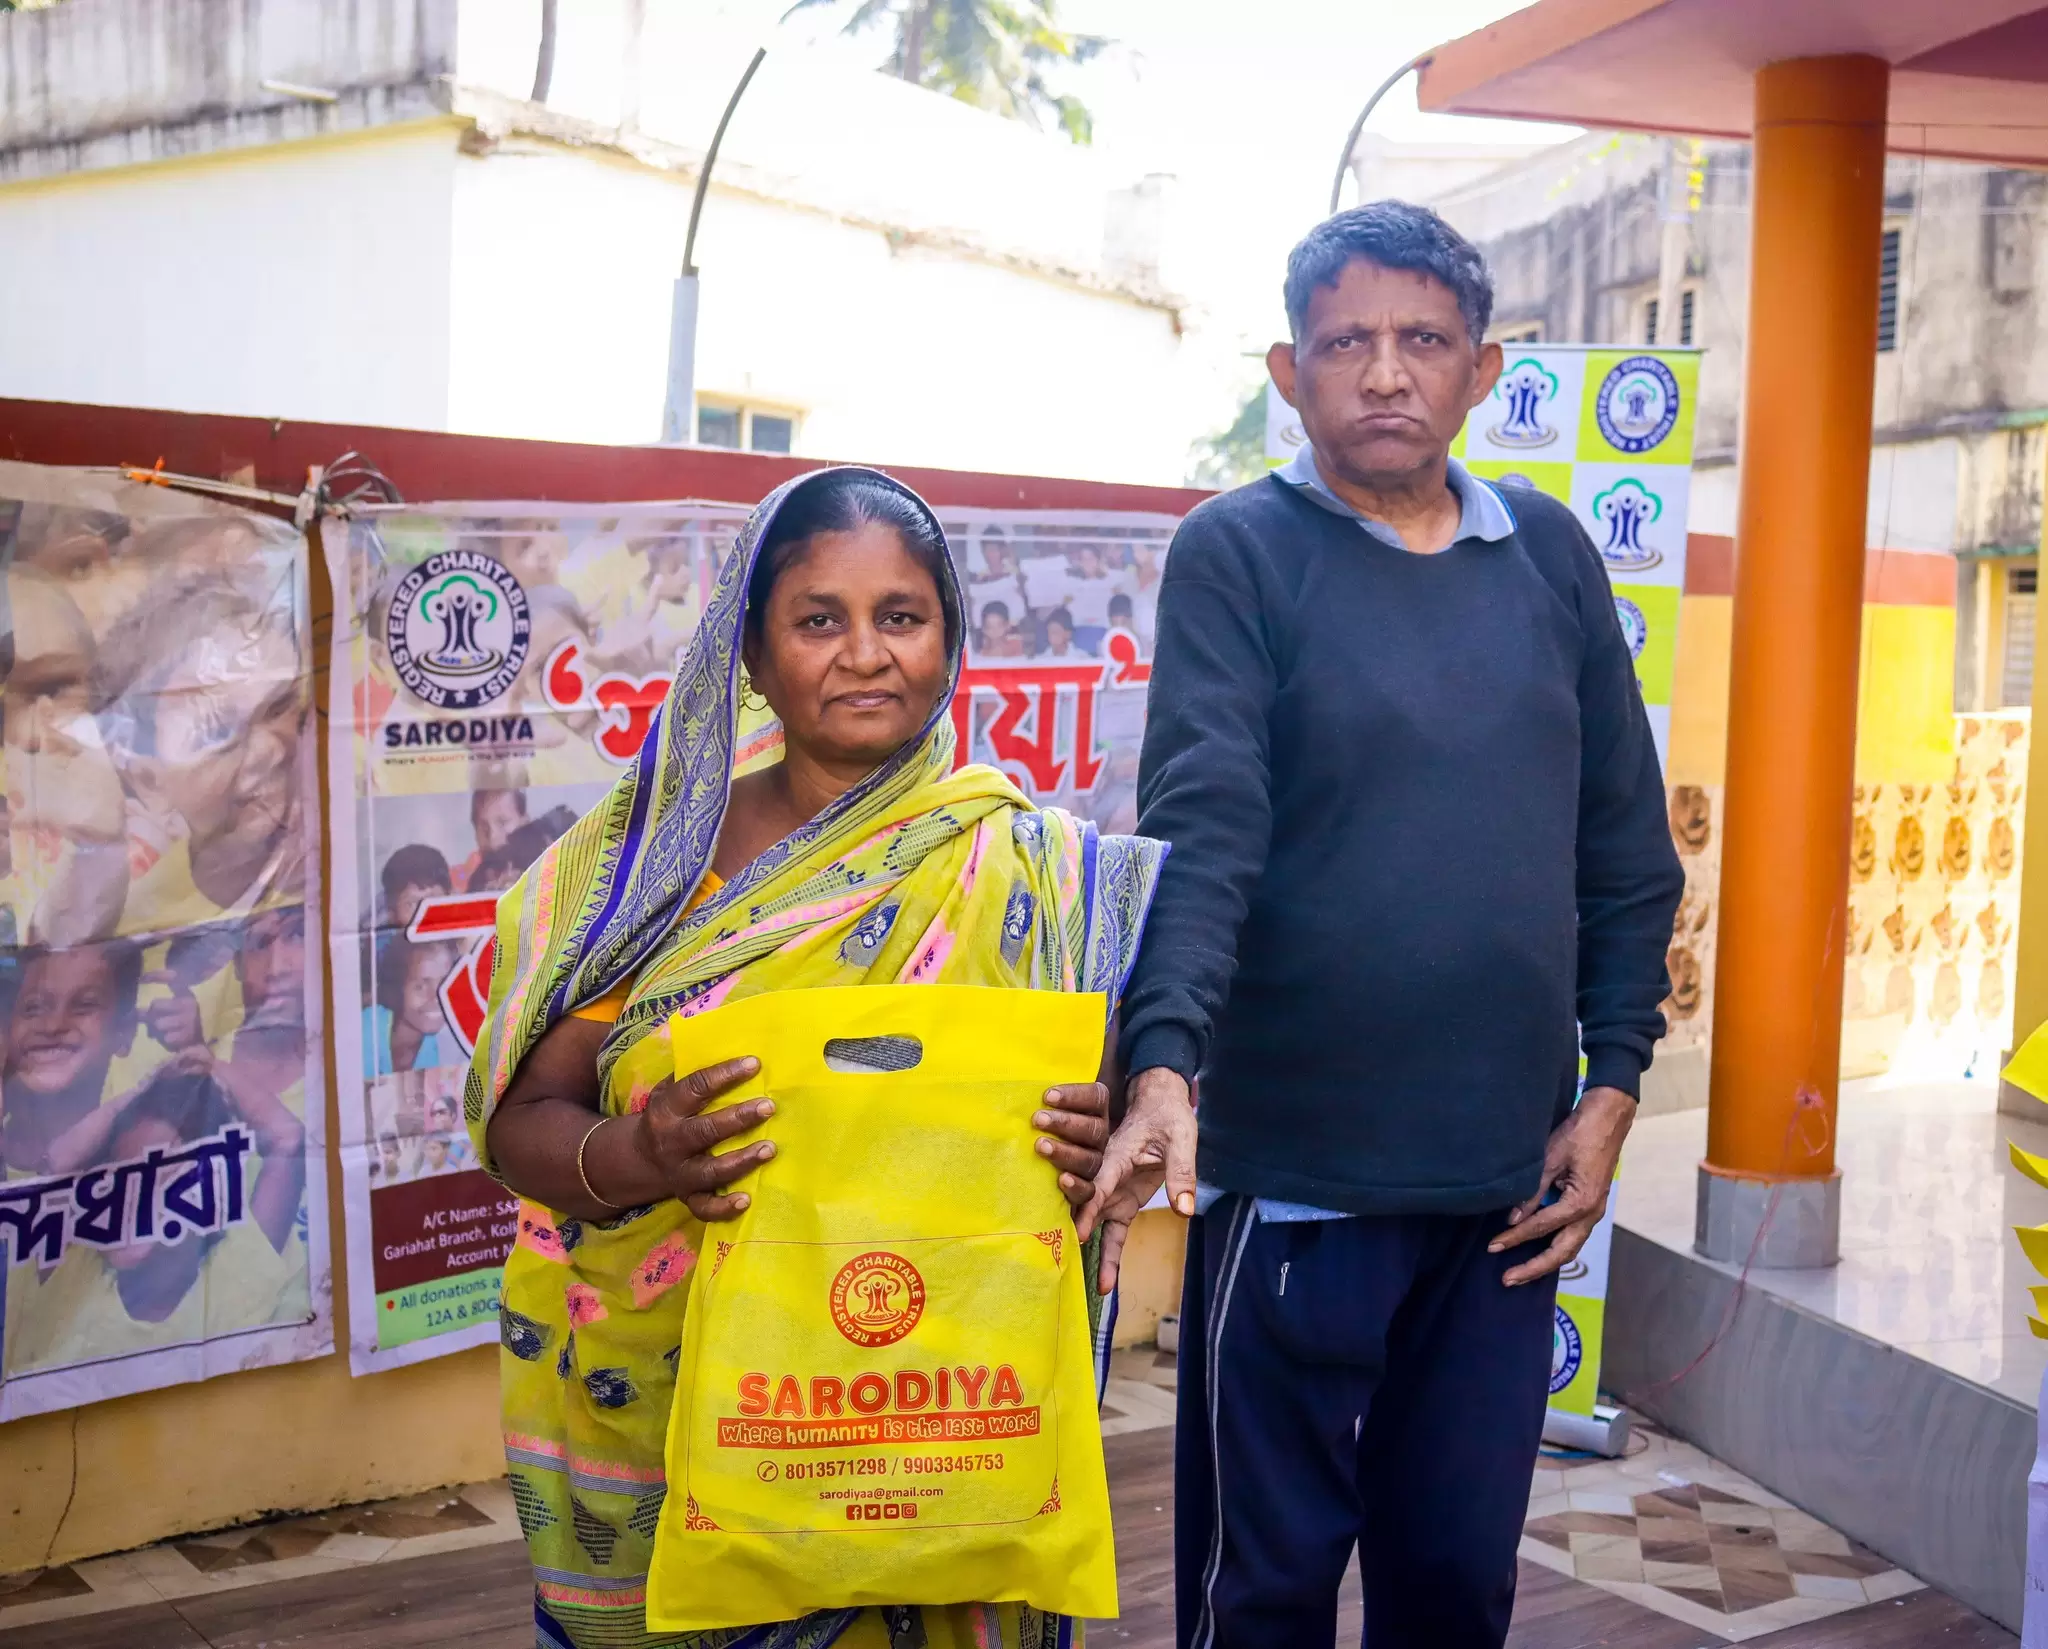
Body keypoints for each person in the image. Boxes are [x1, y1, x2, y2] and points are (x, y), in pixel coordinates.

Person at [1088, 203, 1685, 1649]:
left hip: (1505, 1192)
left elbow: (1623, 846)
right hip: (1299, 1178)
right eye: (1345, 341)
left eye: (1422, 339)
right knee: (1262, 1591)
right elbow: (1203, 824)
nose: (1383, 372)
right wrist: (1162, 1061)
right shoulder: (1240, 551)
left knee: (1453, 1586)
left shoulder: (1548, 554)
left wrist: (1612, 1083)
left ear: (1482, 371)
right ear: (1287, 374)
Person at [472, 466, 1165, 1649]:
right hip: (682, 1406)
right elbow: (520, 1118)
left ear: (949, 638)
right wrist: (641, 1152)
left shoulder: (1027, 868)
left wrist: (1081, 1143)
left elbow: (1083, 1116)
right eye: (816, 619)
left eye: (900, 615)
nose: (864, 653)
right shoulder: (650, 866)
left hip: (946, 1400)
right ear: (748, 653)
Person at [0, 940, 141, 1174]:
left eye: (84, 1005)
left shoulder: (147, 1149)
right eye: (33, 1007)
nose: (53, 1026)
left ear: (124, 1031)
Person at [364, 936, 455, 1075]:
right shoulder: (366, 1027)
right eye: (420, 986)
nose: (437, 998)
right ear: (398, 987)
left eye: (446, 984)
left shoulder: (450, 1046)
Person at [456, 792, 527, 892]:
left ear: (525, 822)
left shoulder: (545, 871)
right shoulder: (476, 881)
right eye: (483, 826)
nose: (492, 836)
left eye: (502, 822)